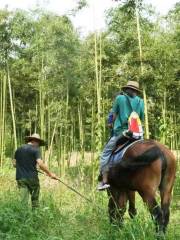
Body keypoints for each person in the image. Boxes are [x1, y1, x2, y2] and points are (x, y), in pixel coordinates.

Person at [97, 81, 144, 191]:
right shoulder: (141, 102)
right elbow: (140, 118)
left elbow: (113, 115)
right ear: (136, 91)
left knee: (105, 153)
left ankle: (103, 181)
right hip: (138, 135)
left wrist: (109, 123)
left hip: (122, 133)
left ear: (127, 89)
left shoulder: (120, 98)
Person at [13, 133, 59, 208]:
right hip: (32, 178)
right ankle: (35, 216)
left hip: (21, 178)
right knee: (35, 200)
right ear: (36, 141)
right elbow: (40, 164)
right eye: (39, 144)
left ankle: (22, 217)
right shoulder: (35, 149)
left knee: (23, 201)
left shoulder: (18, 149)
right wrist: (50, 174)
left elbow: (14, 164)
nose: (39, 146)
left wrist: (24, 166)